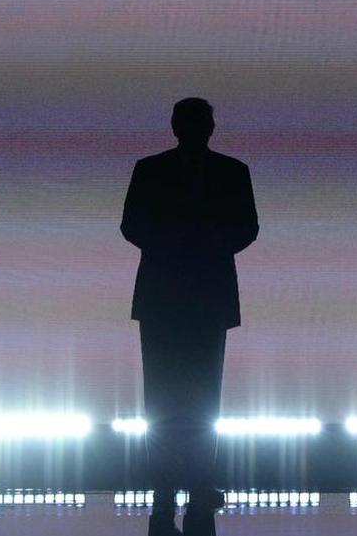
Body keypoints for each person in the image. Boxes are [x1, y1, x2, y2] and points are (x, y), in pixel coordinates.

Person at [120, 97, 259, 536]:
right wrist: (203, 246)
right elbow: (131, 224)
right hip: (191, 298)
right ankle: (175, 485)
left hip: (179, 298)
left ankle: (186, 484)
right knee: (180, 397)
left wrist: (175, 245)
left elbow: (247, 227)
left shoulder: (216, 172)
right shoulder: (223, 172)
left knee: (187, 397)